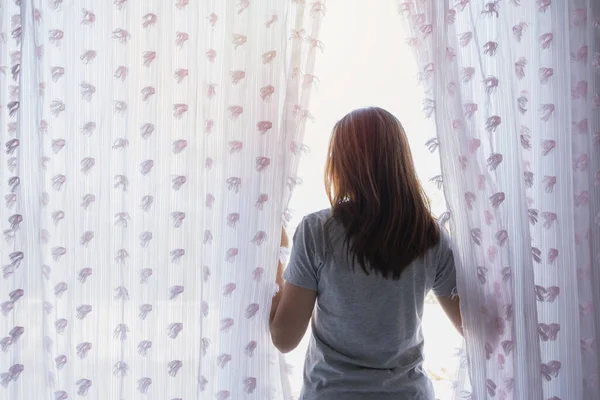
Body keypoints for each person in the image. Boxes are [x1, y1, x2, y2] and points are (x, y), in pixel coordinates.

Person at [269, 107, 463, 400]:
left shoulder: (317, 231)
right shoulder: (431, 236)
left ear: (341, 163)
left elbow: (284, 339)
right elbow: (474, 328)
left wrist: (275, 257)